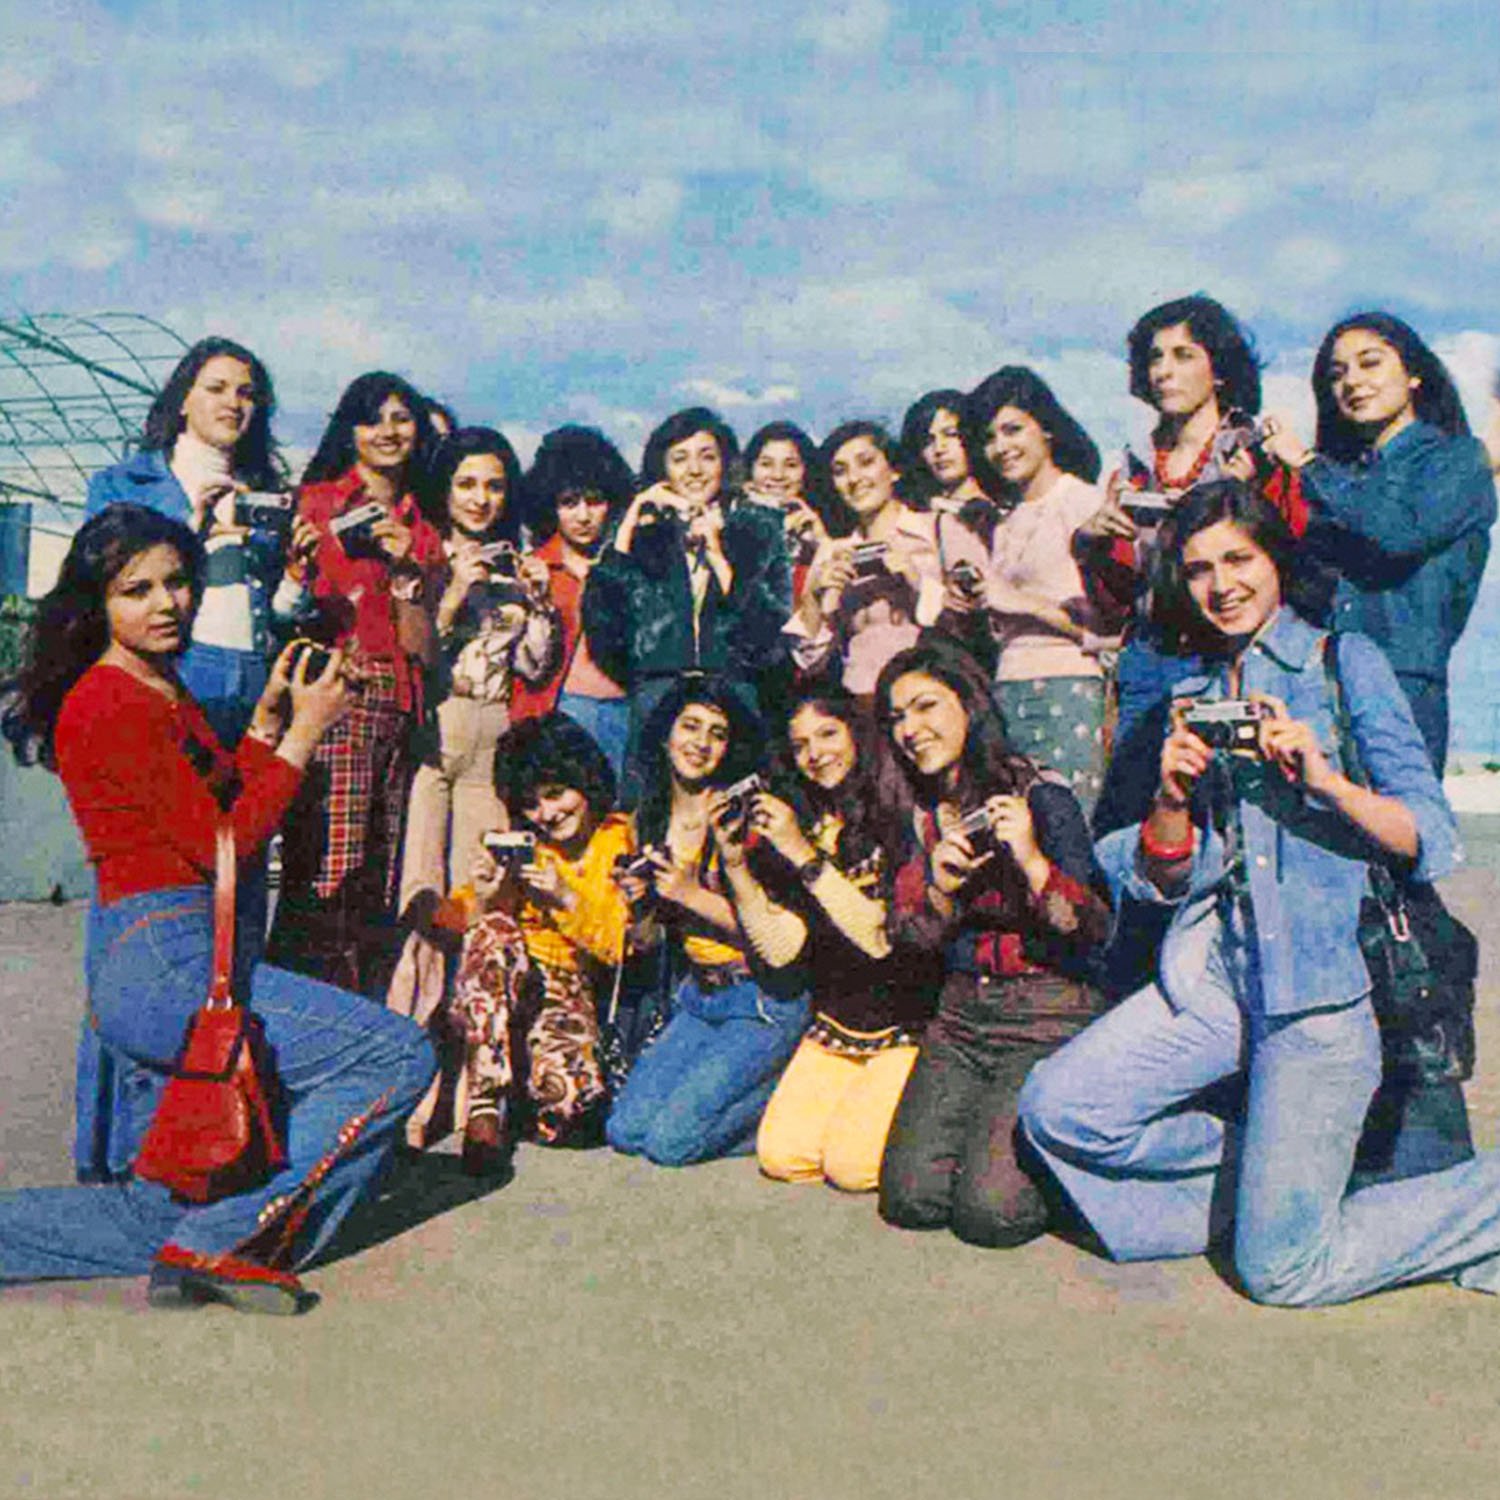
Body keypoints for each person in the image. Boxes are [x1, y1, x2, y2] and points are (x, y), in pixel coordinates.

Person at [1015, 481, 1500, 1306]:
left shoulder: (1344, 662)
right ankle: (1278, 1178)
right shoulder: (1194, 697)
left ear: (1277, 560)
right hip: (1217, 981)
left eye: (1239, 559)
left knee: (1281, 1272)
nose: (1221, 585)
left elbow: (1430, 836)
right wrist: (1170, 799)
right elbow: (1163, 876)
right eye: (1199, 568)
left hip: (1324, 1001)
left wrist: (1326, 782)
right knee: (1059, 1111)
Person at [0, 505, 434, 1313]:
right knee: (395, 1056)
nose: (167, 603)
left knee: (148, 1220)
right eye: (136, 590)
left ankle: (194, 1236)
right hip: (167, 958)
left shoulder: (156, 685)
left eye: (177, 582)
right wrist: (306, 735)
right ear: (97, 602)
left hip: (165, 953)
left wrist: (267, 724)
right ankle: (230, 1238)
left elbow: (218, 797)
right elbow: (221, 842)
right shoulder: (110, 701)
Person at [872, 637, 1111, 1247]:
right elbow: (909, 938)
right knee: (910, 1198)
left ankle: (1077, 1172)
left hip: (1046, 1012)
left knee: (989, 1214)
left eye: (926, 706)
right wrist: (940, 889)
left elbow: (1094, 929)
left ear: (969, 705)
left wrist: (1031, 860)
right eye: (897, 717)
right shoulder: (917, 811)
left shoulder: (1039, 793)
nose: (910, 730)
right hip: (960, 1016)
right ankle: (997, 1140)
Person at [1077, 296, 1308, 833]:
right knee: (1132, 814)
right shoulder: (1133, 466)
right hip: (1150, 654)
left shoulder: (1257, 451)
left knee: (1235, 811)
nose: (1164, 371)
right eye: (1155, 357)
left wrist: (1248, 497)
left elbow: (1292, 555)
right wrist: (1092, 542)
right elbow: (1117, 599)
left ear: (1219, 368)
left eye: (1183, 355)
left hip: (1229, 653)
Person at [385, 427, 560, 1084]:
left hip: (492, 737)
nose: (480, 498)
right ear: (445, 489)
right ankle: (409, 1072)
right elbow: (414, 662)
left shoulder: (515, 566)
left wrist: (539, 605)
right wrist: (452, 596)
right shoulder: (423, 556)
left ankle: (473, 1085)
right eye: (466, 484)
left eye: (493, 485)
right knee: (421, 902)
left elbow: (535, 667)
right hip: (437, 731)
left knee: (479, 902)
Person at [1257, 311, 1496, 777]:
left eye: (1370, 363)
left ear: (1414, 375)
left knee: (1397, 819)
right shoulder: (1340, 480)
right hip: (1319, 685)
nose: (1351, 382)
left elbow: (1394, 533)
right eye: (1337, 374)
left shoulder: (1459, 461)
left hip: (1401, 689)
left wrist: (1306, 464)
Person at [265, 372, 444, 994]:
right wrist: (296, 569)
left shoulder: (423, 525)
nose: (388, 432)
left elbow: (423, 650)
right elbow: (285, 614)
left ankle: (354, 1009)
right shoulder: (315, 504)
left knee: (378, 873)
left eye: (402, 418)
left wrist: (407, 569)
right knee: (325, 867)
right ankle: (302, 1002)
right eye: (373, 419)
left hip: (400, 705)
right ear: (350, 430)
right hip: (337, 696)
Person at [606, 677, 809, 1165]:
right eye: (690, 726)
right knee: (625, 1129)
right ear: (665, 735)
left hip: (762, 997)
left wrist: (690, 894)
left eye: (717, 734)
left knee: (671, 1143)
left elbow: (782, 933)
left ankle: (797, 1106)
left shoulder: (741, 815)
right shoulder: (646, 819)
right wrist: (639, 904)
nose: (701, 743)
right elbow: (649, 940)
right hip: (699, 998)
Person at [752, 687, 940, 1193]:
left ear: (857, 734)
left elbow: (879, 940)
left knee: (852, 1168)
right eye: (800, 745)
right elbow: (782, 948)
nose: (815, 754)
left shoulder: (898, 813)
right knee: (782, 1156)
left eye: (827, 734)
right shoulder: (808, 822)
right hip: (839, 1021)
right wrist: (735, 867)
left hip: (907, 1022)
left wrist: (802, 855)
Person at [84, 336, 314, 748]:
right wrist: (191, 531)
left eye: (246, 393)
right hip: (169, 671)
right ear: (183, 402)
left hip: (254, 682)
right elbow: (97, 583)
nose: (233, 403)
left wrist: (296, 577)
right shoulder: (123, 484)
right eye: (216, 388)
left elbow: (275, 615)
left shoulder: (264, 497)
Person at [449, 714, 632, 1176]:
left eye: (555, 794)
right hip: (505, 977)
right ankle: (484, 1103)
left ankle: (519, 1081)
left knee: (568, 1109)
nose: (547, 814)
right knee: (494, 933)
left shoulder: (618, 838)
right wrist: (488, 896)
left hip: (567, 989)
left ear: (584, 781)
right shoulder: (523, 844)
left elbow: (620, 947)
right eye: (531, 804)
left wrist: (565, 897)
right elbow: (462, 925)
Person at [580, 407, 791, 800]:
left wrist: (720, 559)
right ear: (663, 469)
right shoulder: (645, 538)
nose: (694, 470)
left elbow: (771, 641)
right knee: (650, 815)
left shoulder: (759, 532)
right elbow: (604, 635)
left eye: (706, 457)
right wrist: (629, 526)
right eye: (680, 458)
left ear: (725, 464)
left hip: (735, 700)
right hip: (657, 702)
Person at [966, 366, 1122, 813]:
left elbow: (1111, 632)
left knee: (1072, 822)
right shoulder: (1005, 521)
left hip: (1068, 687)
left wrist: (1020, 603)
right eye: (989, 437)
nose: (1000, 448)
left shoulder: (1083, 502)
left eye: (1013, 429)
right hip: (1007, 690)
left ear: (1047, 428)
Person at [786, 421, 989, 701]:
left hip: (931, 695)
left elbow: (982, 619)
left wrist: (915, 580)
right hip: (860, 701)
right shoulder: (833, 552)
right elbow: (810, 660)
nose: (854, 478)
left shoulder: (941, 529)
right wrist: (814, 599)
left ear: (894, 470)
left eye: (866, 462)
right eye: (840, 471)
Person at [511, 426, 637, 776]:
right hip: (558, 710)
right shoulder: (532, 568)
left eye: (594, 501)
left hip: (624, 711)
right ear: (550, 505)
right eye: (569, 503)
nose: (583, 516)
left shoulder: (628, 565)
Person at [900, 390, 999, 549]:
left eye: (951, 434)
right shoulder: (914, 516)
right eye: (928, 441)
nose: (939, 448)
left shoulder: (1007, 511)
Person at [742, 421, 830, 600]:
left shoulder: (817, 523)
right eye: (766, 464)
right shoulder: (731, 516)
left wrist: (821, 541)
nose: (778, 475)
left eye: (791, 465)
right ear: (751, 469)